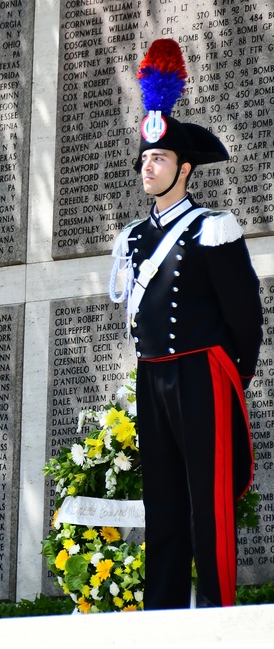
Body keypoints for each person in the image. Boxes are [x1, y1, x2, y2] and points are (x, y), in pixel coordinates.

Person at [109, 39, 263, 608]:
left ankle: (219, 610)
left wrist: (226, 380)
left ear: (185, 168)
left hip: (204, 374)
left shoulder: (212, 227)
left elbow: (245, 320)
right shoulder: (132, 237)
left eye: (161, 159)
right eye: (145, 159)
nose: (149, 167)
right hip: (153, 377)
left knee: (210, 500)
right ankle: (164, 616)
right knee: (164, 504)